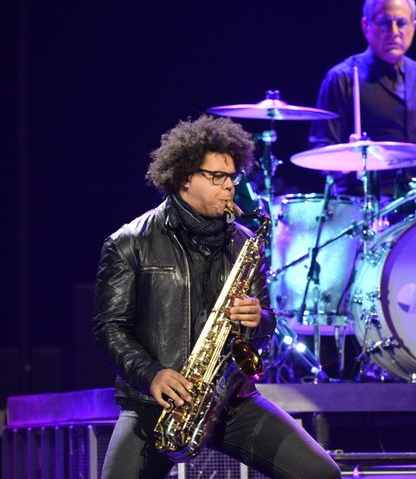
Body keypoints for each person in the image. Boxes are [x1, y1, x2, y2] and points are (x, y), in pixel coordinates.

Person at [92, 115, 341, 479]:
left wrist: (260, 319)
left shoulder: (243, 241)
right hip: (155, 404)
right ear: (183, 177)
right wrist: (153, 375)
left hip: (231, 400)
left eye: (233, 177)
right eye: (217, 177)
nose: (230, 188)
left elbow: (266, 322)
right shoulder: (130, 242)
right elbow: (108, 328)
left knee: (323, 474)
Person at [308, 0, 416, 198]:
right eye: (385, 23)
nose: (394, 31)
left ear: (413, 27)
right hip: (366, 205)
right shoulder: (342, 78)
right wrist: (346, 158)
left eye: (402, 23)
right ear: (366, 26)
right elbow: (320, 148)